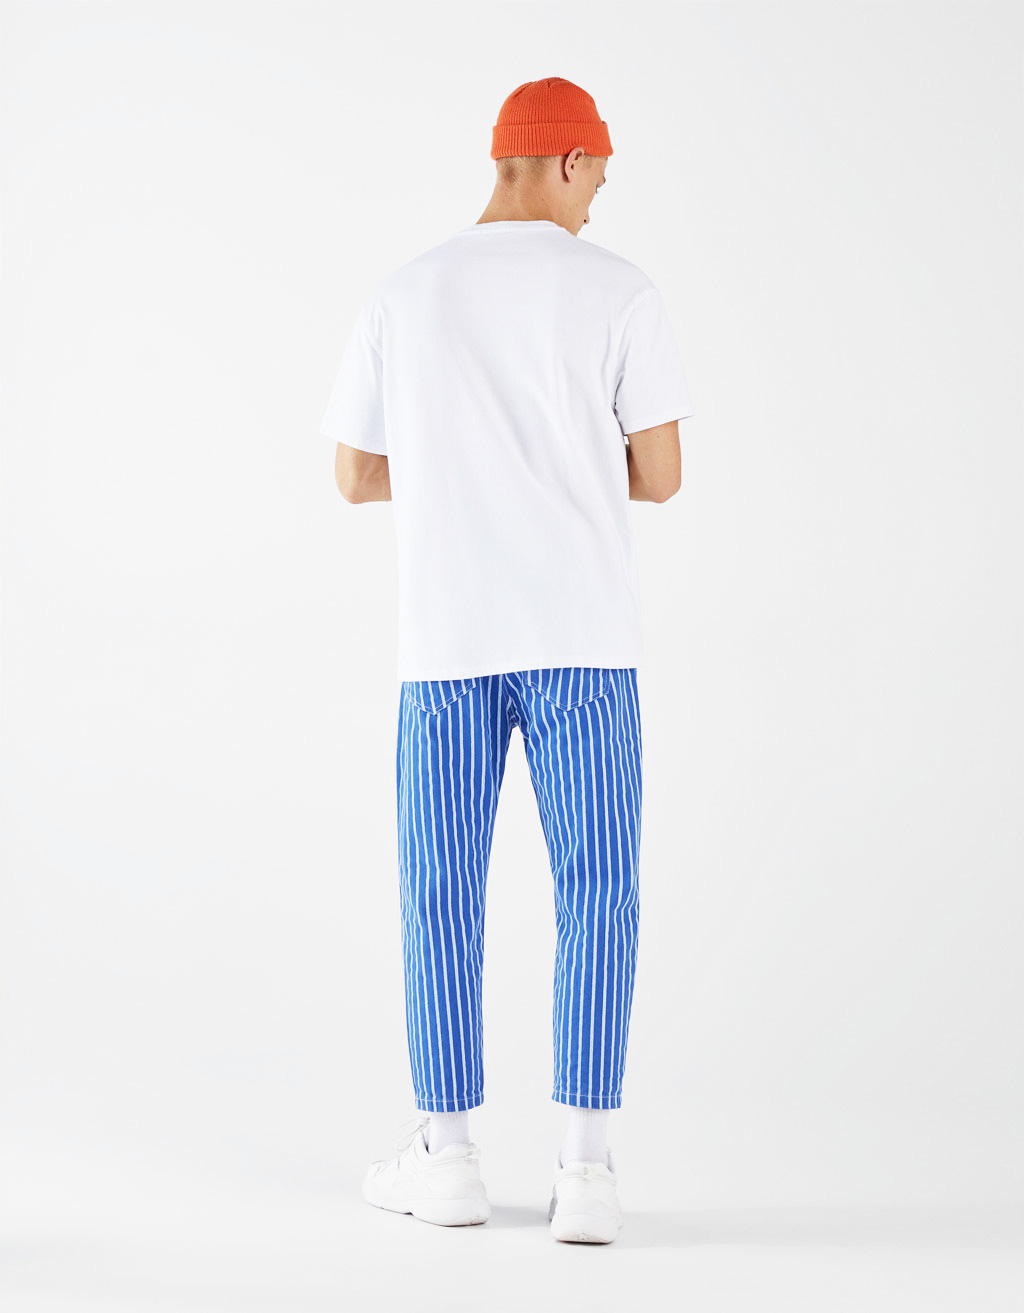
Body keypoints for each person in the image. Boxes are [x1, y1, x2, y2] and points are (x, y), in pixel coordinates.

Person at [319, 76, 695, 1243]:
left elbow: (353, 474)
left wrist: (461, 469)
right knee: (599, 891)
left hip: (448, 640)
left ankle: (447, 1158)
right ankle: (585, 1171)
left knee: (439, 891)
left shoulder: (405, 291)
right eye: (598, 180)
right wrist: (563, 462)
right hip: (584, 640)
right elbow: (660, 474)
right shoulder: (620, 290)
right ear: (569, 160)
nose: (596, 203)